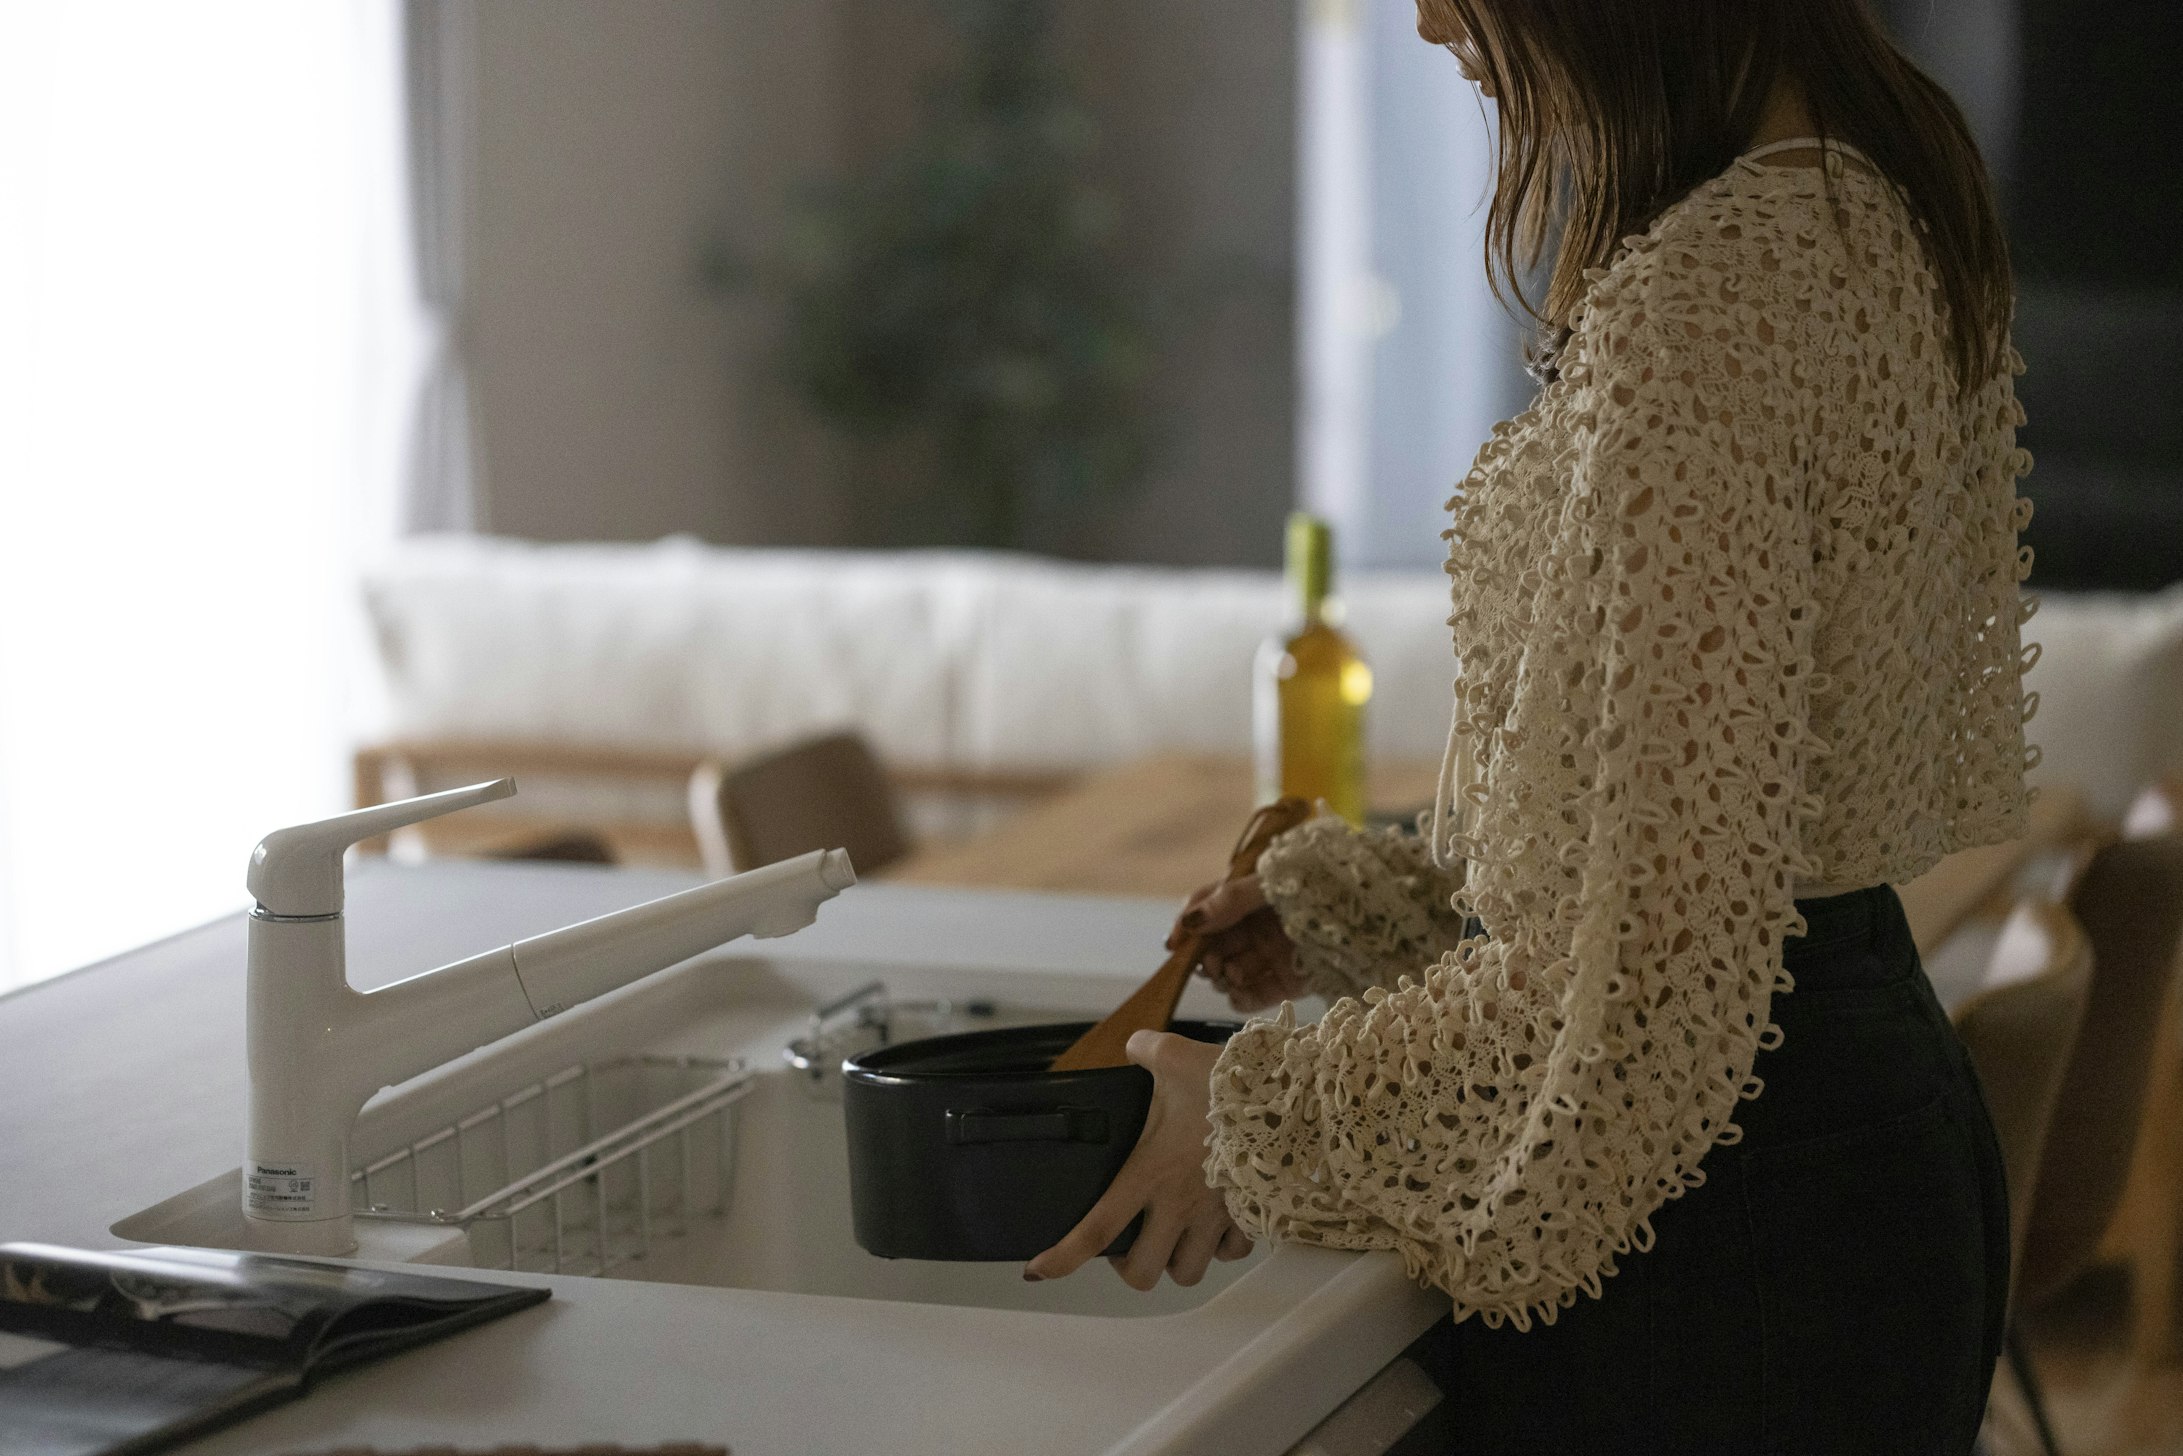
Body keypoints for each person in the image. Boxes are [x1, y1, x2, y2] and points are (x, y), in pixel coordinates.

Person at [1026, 1, 2034, 1449]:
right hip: (1833, 1139)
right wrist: (1371, 912)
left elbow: (1663, 983)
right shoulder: (1871, 190)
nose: (1429, 16)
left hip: (1744, 1228)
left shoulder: (1710, 304)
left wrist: (1247, 1112)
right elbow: (1711, 842)